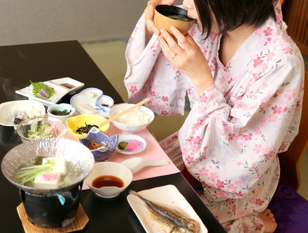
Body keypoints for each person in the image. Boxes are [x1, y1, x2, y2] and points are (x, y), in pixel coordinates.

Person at [123, 0, 305, 232]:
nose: (185, 4)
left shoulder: (282, 61)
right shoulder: (211, 26)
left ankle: (250, 224)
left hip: (239, 171)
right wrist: (156, 28)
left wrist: (202, 79)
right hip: (197, 143)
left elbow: (240, 155)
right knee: (131, 184)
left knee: (175, 223)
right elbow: (160, 77)